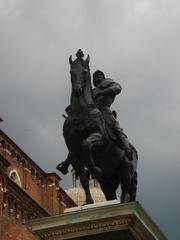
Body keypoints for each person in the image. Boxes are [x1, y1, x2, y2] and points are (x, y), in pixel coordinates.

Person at [56, 70, 132, 175]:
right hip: (92, 117)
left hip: (105, 112)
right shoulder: (91, 91)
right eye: (95, 76)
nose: (97, 77)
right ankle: (66, 163)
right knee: (78, 137)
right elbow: (83, 103)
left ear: (103, 77)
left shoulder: (109, 83)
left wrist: (102, 92)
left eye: (100, 75)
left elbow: (117, 88)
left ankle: (126, 148)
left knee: (116, 127)